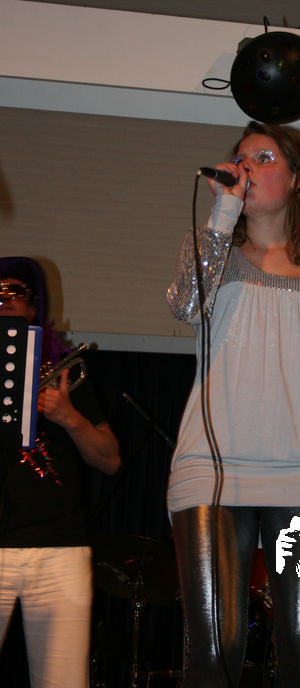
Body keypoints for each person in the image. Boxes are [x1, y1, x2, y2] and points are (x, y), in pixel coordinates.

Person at [166, 121, 300, 688]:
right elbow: (185, 306)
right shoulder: (210, 248)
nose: (247, 167)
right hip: (212, 472)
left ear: (299, 178)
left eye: (264, 158)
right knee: (215, 655)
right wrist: (223, 212)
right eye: (241, 158)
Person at [0, 257, 121, 688]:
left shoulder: (64, 369)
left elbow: (110, 460)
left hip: (60, 551)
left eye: (16, 292)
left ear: (34, 307)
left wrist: (69, 417)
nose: (5, 299)